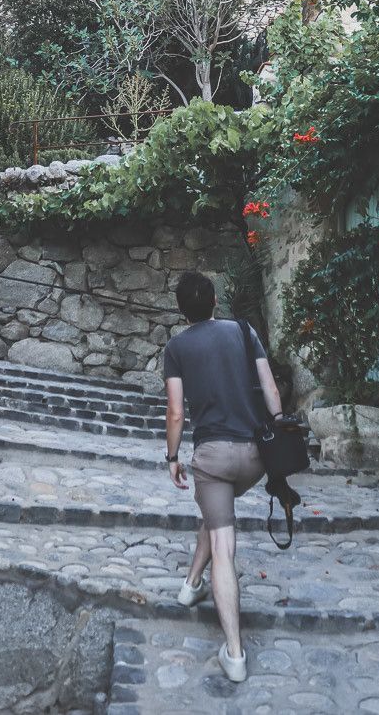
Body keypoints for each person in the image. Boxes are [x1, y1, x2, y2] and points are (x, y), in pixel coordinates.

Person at [163, 269, 284, 684]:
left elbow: (176, 412)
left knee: (222, 541)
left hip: (212, 458)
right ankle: (191, 582)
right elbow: (270, 389)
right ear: (216, 302)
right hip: (255, 456)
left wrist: (173, 456)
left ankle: (234, 652)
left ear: (182, 312)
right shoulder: (244, 331)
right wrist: (281, 427)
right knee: (216, 514)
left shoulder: (177, 346)